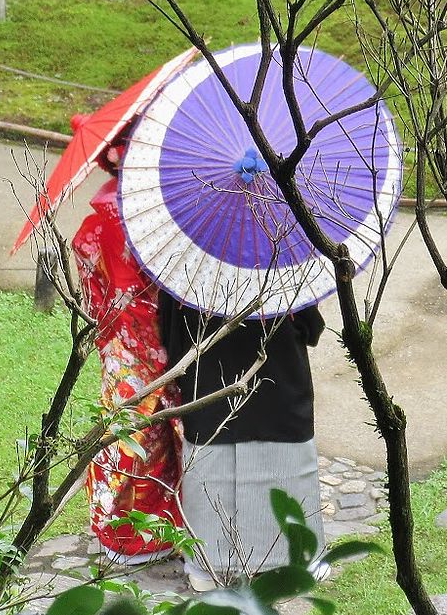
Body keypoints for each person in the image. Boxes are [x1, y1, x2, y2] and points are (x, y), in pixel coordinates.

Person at [159, 293, 326, 590]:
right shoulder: (280, 255)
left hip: (207, 383)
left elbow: (169, 335)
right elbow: (310, 328)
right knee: (288, 468)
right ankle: (298, 558)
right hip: (279, 377)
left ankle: (207, 568)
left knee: (209, 468)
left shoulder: (189, 267)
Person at [72, 131, 184, 564]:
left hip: (121, 346)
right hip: (157, 342)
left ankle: (118, 527)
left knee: (126, 434)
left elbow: (95, 296)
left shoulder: (93, 228)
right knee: (158, 436)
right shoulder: (157, 221)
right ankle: (150, 531)